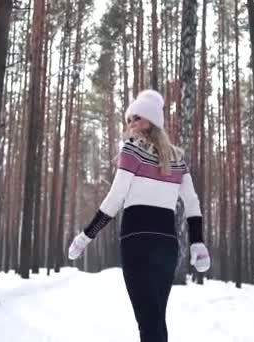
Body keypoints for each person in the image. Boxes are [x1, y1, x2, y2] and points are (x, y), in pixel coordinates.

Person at [67, 89, 210, 342]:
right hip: (167, 245)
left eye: (137, 117)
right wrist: (196, 241)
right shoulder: (177, 159)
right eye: (129, 119)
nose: (131, 123)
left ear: (152, 120)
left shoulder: (131, 150)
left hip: (137, 243)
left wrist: (86, 236)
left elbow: (115, 198)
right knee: (155, 319)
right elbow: (191, 202)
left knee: (149, 322)